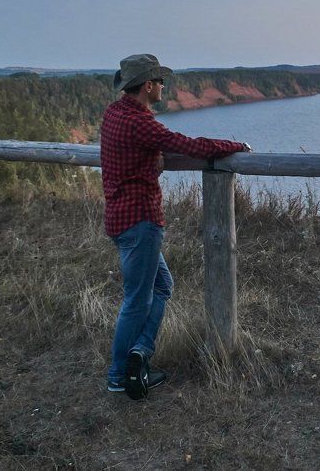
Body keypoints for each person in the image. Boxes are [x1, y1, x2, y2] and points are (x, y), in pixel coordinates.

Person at [100, 54, 251, 400]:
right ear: (148, 86)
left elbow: (132, 153)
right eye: (160, 82)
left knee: (163, 285)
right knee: (136, 300)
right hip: (140, 221)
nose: (163, 87)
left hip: (120, 218)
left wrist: (153, 157)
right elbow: (190, 146)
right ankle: (119, 374)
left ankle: (139, 354)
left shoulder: (114, 114)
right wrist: (235, 146)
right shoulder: (141, 123)